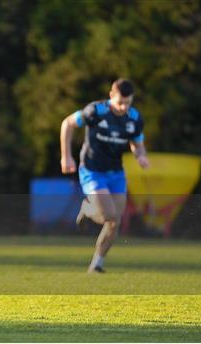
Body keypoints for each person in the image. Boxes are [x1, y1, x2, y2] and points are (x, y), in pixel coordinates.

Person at [60, 79, 149, 273]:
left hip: (116, 172)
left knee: (114, 221)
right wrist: (66, 156)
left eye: (128, 103)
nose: (123, 107)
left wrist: (141, 156)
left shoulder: (134, 118)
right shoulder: (95, 111)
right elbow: (67, 123)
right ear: (111, 96)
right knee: (108, 215)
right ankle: (87, 208)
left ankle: (97, 264)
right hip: (92, 170)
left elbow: (137, 143)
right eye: (120, 102)